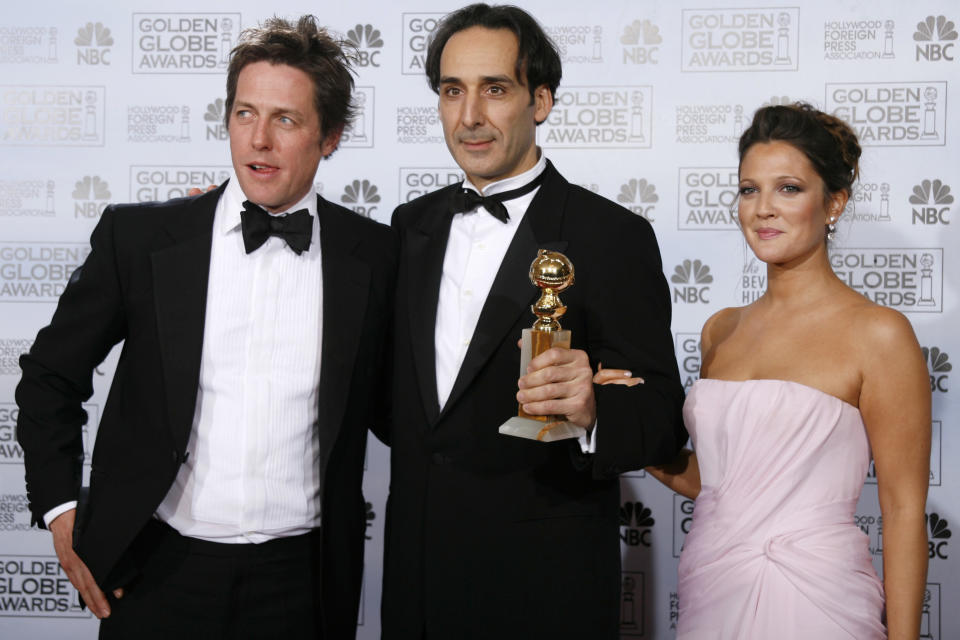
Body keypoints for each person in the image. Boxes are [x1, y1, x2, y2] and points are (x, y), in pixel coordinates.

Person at [15, 16, 395, 639]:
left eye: (287, 120)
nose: (259, 141)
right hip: (153, 573)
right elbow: (49, 378)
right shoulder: (140, 240)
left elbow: (405, 408)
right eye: (245, 114)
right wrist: (61, 510)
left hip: (303, 584)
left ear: (331, 137)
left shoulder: (376, 256)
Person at [382, 4, 686, 638]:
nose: (470, 116)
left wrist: (595, 410)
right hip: (416, 574)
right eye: (452, 91)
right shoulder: (410, 227)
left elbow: (661, 417)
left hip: (544, 583)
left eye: (495, 89)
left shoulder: (612, 236)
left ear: (541, 100)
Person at [598, 102, 931, 639]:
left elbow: (902, 509)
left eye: (789, 189)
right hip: (712, 585)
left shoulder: (879, 333)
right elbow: (720, 482)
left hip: (817, 598)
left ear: (834, 204)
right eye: (749, 189)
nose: (763, 209)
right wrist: (622, 423)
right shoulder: (720, 331)